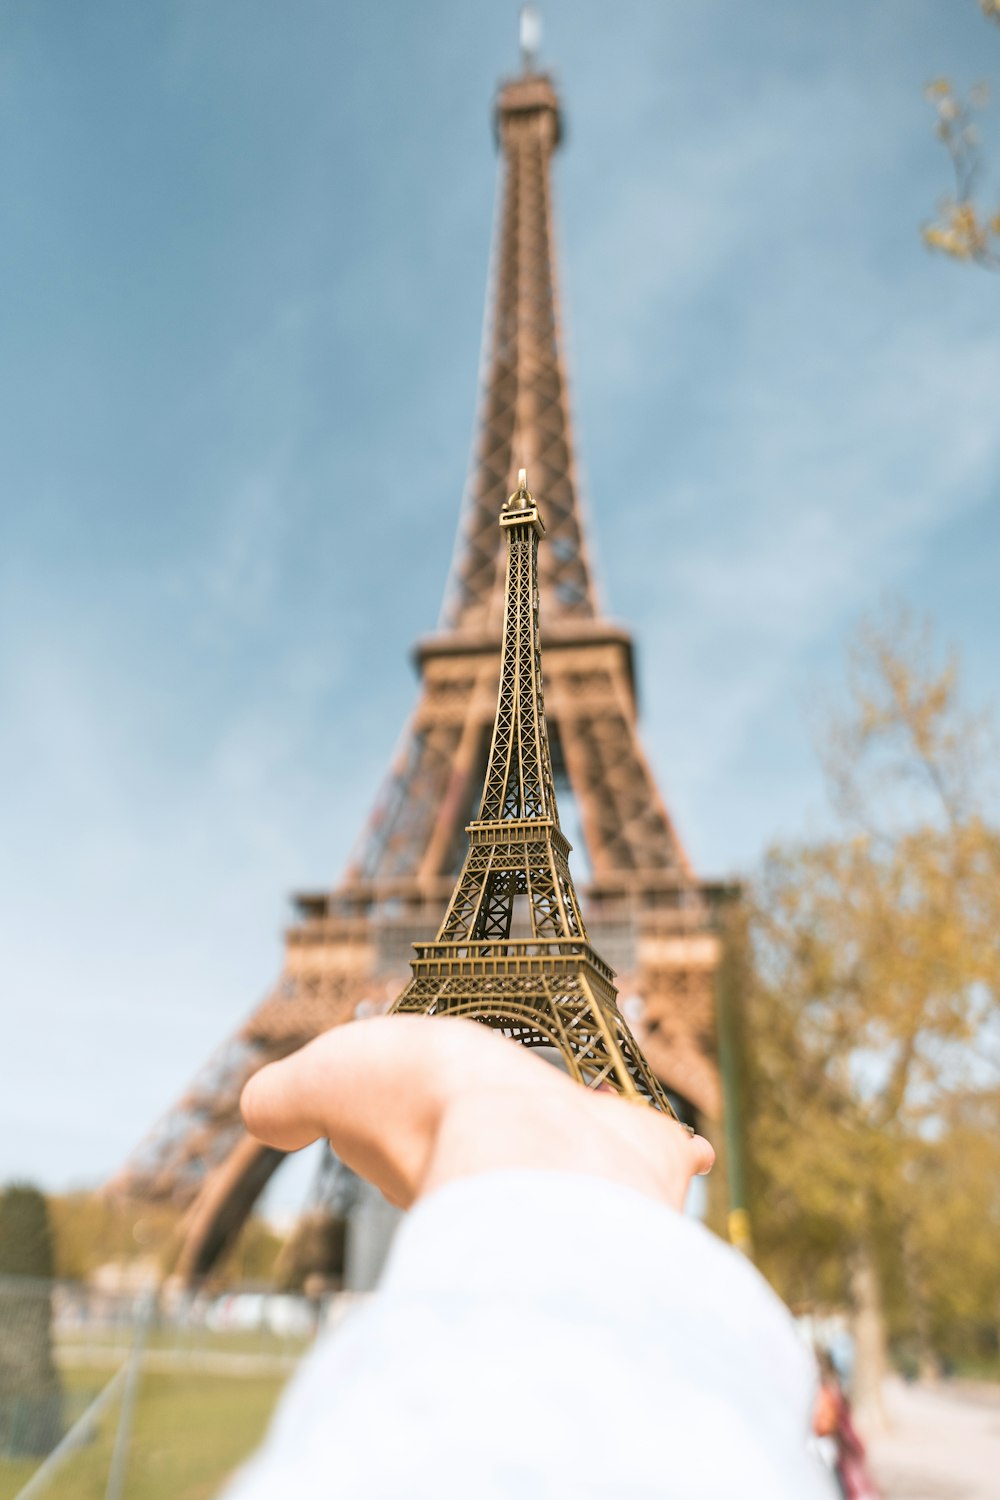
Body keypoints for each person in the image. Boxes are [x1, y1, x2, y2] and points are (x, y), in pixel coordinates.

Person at [224, 1016, 835, 1498]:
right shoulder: (733, 1352)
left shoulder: (444, 1059)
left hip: (492, 1263)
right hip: (673, 1251)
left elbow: (263, 1102)